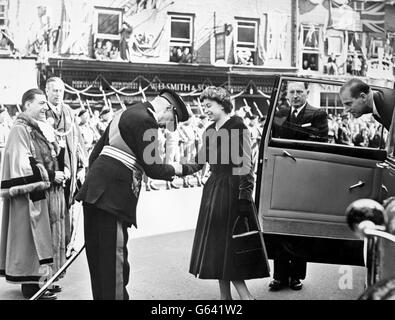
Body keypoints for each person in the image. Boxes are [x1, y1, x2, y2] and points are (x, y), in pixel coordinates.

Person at [75, 89, 190, 300]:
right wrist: (182, 169)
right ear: (168, 108)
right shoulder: (148, 122)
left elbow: (94, 155)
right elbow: (154, 169)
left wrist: (97, 185)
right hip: (113, 198)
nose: (165, 125)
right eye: (170, 120)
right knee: (113, 264)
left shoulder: (124, 113)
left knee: (98, 261)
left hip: (94, 192)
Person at [180, 86, 270, 300]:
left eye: (208, 105)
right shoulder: (209, 130)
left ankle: (245, 297)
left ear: (222, 104)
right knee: (219, 247)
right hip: (214, 190)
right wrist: (176, 170)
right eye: (204, 106)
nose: (205, 110)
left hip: (232, 190)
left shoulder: (238, 127)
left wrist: (244, 198)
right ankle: (225, 298)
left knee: (229, 247)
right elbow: (199, 161)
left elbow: (246, 166)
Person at [0, 89, 68, 300]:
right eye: (41, 103)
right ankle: (31, 286)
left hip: (43, 194)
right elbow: (23, 166)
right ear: (27, 105)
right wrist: (50, 174)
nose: (45, 107)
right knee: (31, 242)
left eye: (46, 104)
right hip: (28, 200)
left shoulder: (37, 128)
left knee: (42, 240)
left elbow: (47, 157)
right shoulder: (20, 130)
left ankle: (43, 282)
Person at [269, 81, 329, 292]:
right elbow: (271, 142)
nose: (295, 96)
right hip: (282, 176)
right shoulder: (280, 113)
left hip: (305, 177)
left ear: (306, 93)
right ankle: (278, 276)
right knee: (279, 226)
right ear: (286, 95)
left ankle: (295, 277)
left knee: (299, 228)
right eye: (291, 92)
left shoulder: (318, 114)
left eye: (299, 92)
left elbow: (319, 141)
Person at [45, 77, 88, 255]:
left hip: (69, 169)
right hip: (50, 170)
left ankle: (64, 248)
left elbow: (78, 140)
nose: (58, 94)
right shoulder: (42, 112)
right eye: (54, 90)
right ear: (46, 91)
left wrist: (80, 166)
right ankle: (49, 254)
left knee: (66, 210)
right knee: (49, 215)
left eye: (61, 91)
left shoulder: (69, 112)